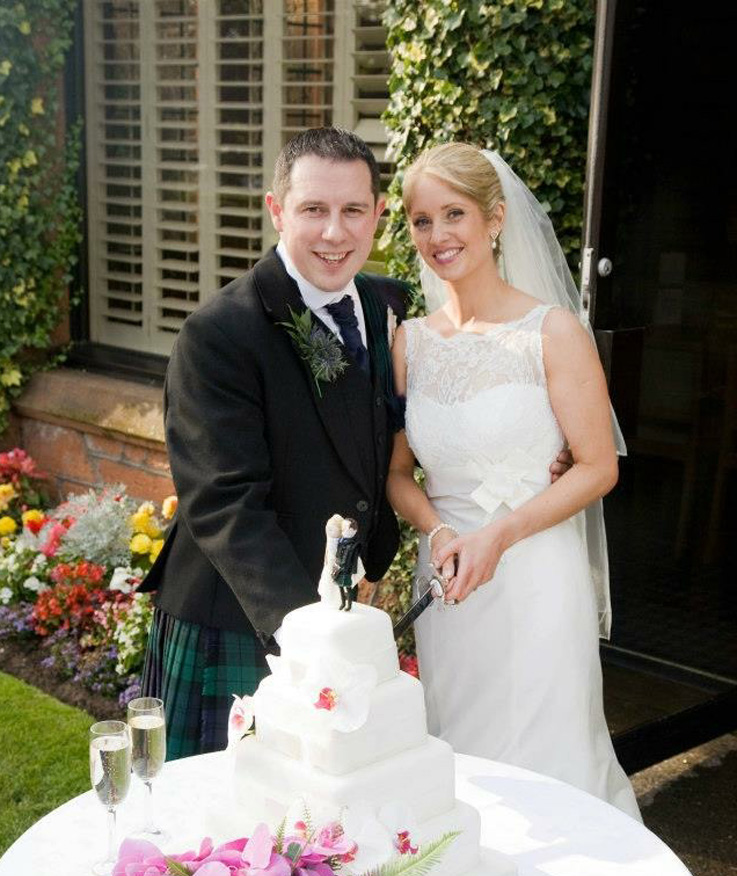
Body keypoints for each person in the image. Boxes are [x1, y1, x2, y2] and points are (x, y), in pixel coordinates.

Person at [386, 142, 641, 821]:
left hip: (535, 575)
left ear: (494, 220)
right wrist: (438, 529)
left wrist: (499, 532)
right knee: (462, 759)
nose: (438, 236)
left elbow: (597, 465)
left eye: (454, 214)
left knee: (547, 762)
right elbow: (396, 473)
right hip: (449, 581)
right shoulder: (410, 342)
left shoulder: (551, 331)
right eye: (420, 220)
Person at [139, 128, 410, 759]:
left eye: (353, 211)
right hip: (245, 614)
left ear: (378, 215)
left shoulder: (382, 303)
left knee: (329, 819)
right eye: (314, 209)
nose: (335, 234)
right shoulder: (219, 333)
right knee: (221, 833)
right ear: (277, 210)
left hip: (336, 605)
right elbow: (224, 503)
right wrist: (313, 636)